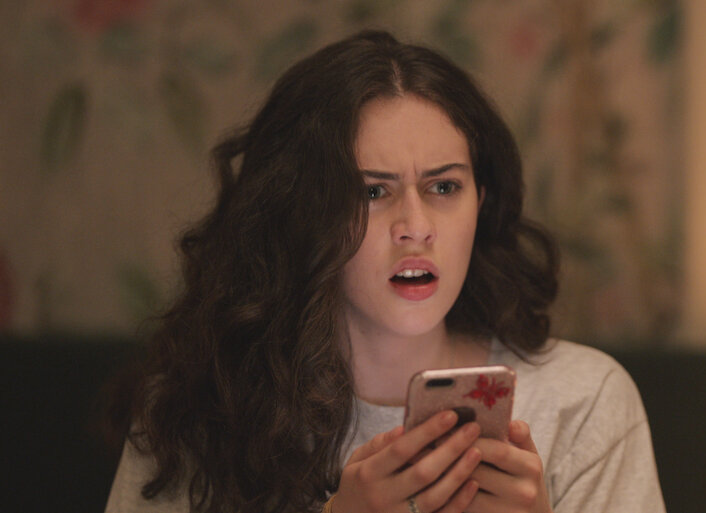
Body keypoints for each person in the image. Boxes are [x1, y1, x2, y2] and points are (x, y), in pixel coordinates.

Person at [104, 30, 665, 513]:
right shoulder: (196, 406)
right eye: (372, 192)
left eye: (444, 187)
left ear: (480, 201)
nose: (415, 227)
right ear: (300, 213)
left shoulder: (584, 402)